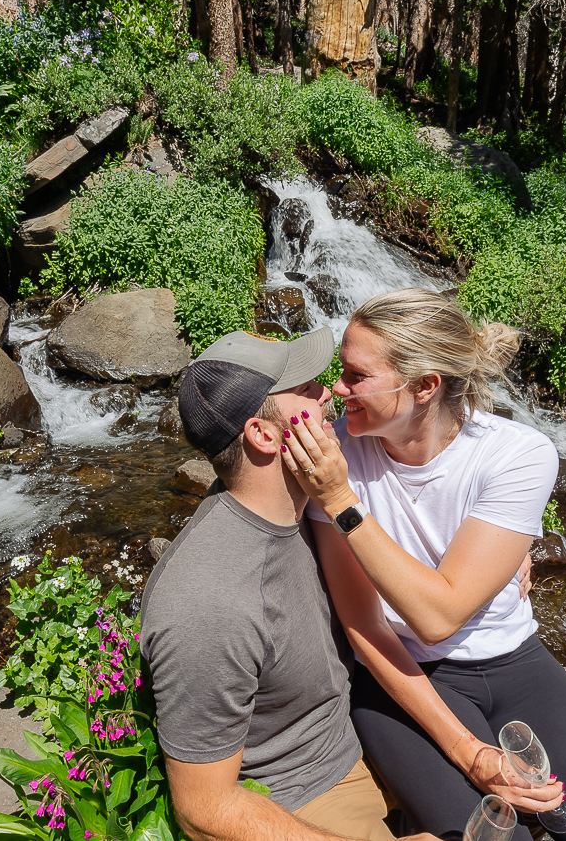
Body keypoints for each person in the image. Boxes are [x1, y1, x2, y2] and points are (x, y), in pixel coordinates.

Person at [280, 290, 566, 841]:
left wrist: (342, 502)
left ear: (424, 387)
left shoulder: (516, 453)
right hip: (399, 676)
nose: (336, 391)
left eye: (355, 376)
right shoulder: (336, 455)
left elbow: (441, 612)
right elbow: (368, 626)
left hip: (514, 663)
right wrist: (469, 754)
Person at [139, 328, 442, 841]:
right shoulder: (210, 603)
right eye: (305, 390)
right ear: (263, 435)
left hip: (360, 722)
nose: (328, 393)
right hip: (309, 791)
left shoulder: (304, 502)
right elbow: (204, 809)